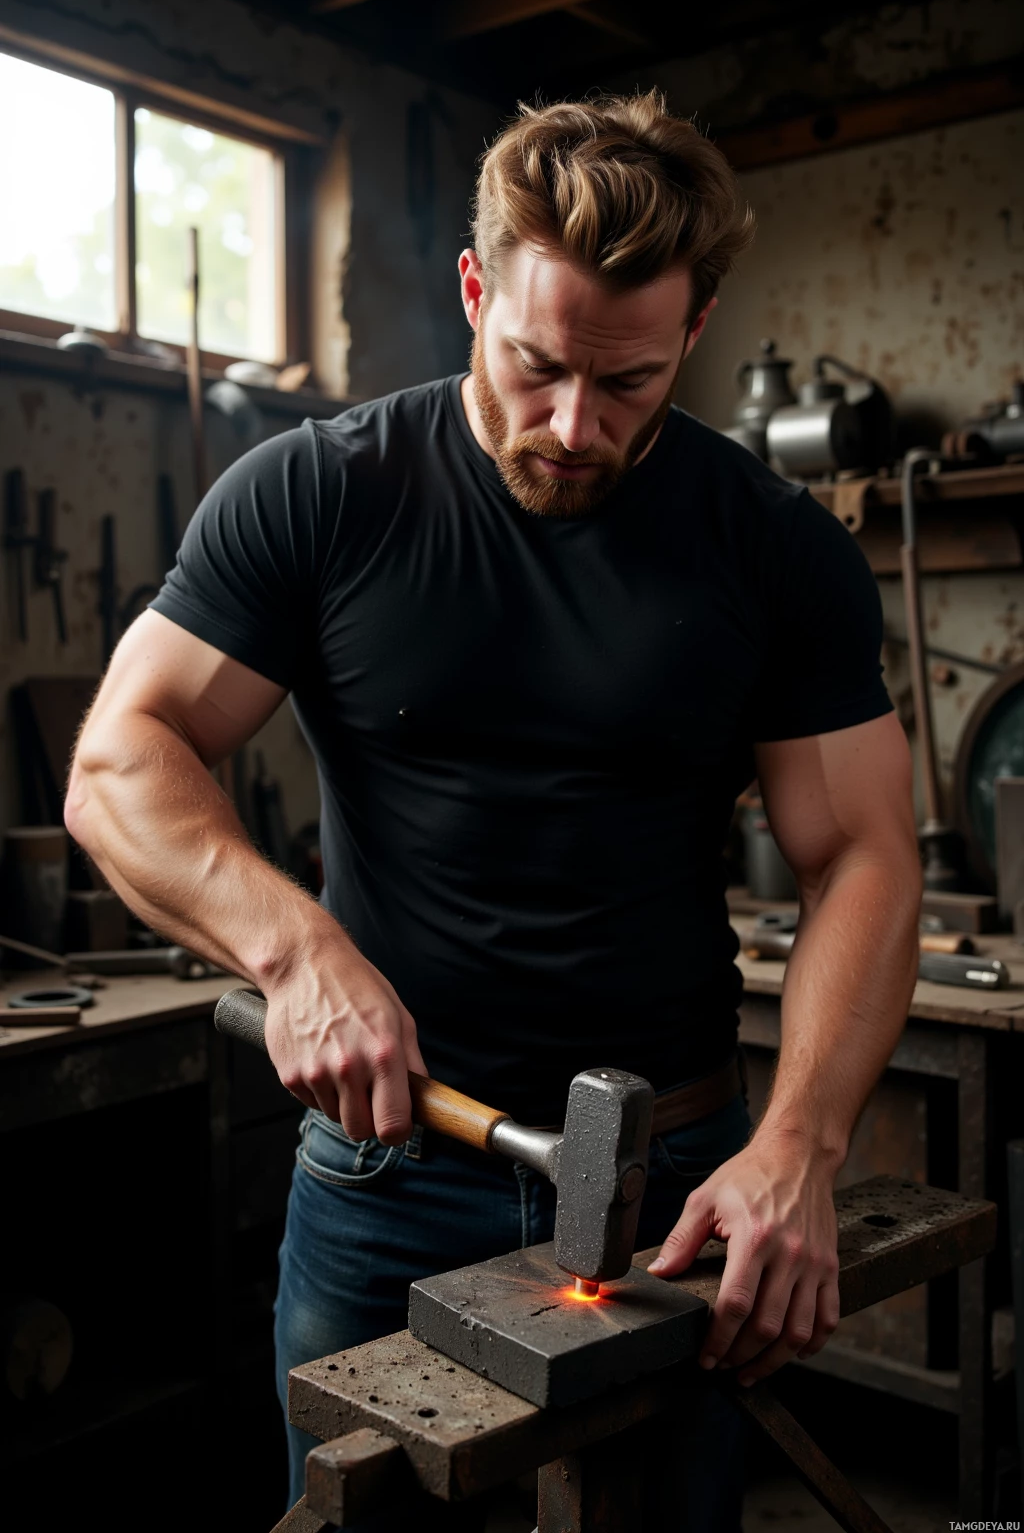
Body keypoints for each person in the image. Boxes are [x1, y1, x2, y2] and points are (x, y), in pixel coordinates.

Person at [66, 92, 921, 1529]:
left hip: (683, 1190)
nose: (575, 426)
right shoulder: (320, 496)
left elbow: (864, 858)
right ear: (477, 291)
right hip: (389, 1176)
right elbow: (120, 757)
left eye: (630, 384)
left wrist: (804, 1146)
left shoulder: (773, 548)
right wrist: (296, 953)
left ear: (694, 328)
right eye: (534, 364)